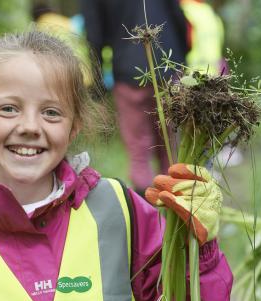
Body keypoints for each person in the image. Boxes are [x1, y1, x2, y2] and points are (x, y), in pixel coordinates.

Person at [0, 29, 232, 301]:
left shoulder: (117, 211)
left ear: (74, 125)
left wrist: (195, 247)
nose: (30, 127)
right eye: (8, 109)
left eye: (51, 113)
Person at [79, 0, 190, 196]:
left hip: (128, 71)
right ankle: (175, 203)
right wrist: (182, 59)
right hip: (169, 66)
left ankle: (146, 208)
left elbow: (94, 34)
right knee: (170, 143)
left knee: (139, 147)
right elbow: (179, 17)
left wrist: (97, 83)